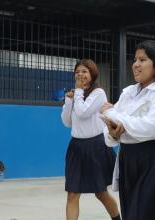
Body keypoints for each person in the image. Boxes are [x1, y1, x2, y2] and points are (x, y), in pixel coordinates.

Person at [101, 40, 155, 220]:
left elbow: (150, 127)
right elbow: (108, 130)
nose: (136, 64)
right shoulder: (128, 92)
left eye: (142, 59)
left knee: (147, 213)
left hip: (153, 160)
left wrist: (112, 112)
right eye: (135, 59)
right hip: (127, 159)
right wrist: (114, 134)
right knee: (131, 212)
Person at [61, 59, 120, 220]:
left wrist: (78, 93)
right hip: (76, 147)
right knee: (72, 194)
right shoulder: (76, 95)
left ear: (92, 74)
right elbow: (67, 122)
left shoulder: (98, 93)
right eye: (77, 71)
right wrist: (68, 101)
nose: (80, 74)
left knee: (100, 193)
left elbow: (82, 113)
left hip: (95, 146)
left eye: (84, 71)